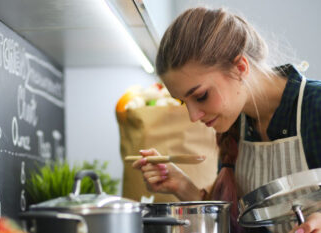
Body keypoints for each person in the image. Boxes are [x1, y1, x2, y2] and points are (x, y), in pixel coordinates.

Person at [132, 7, 321, 233]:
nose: (193, 116)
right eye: (183, 102)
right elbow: (234, 226)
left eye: (201, 96)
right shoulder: (234, 126)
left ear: (240, 67)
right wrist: (182, 187)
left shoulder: (315, 106)